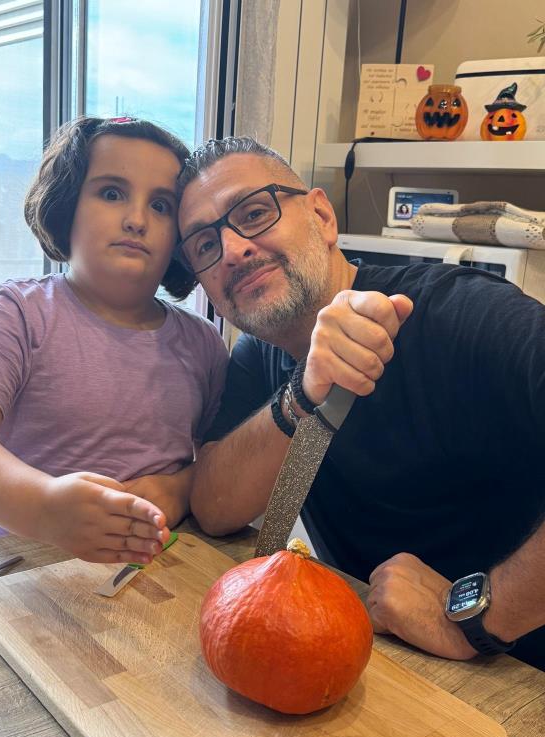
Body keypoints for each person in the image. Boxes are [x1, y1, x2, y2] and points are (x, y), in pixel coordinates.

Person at [175, 135, 545, 670]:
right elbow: (214, 508)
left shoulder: (457, 312)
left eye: (254, 213)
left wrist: (477, 618)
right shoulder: (260, 356)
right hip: (387, 662)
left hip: (517, 676)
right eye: (205, 246)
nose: (233, 250)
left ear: (323, 217)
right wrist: (304, 392)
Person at [0, 116, 227, 564]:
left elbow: (220, 464)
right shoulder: (16, 313)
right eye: (112, 193)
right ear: (67, 206)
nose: (136, 220)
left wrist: (179, 487)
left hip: (143, 580)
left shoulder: (203, 344)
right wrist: (43, 507)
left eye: (161, 206)